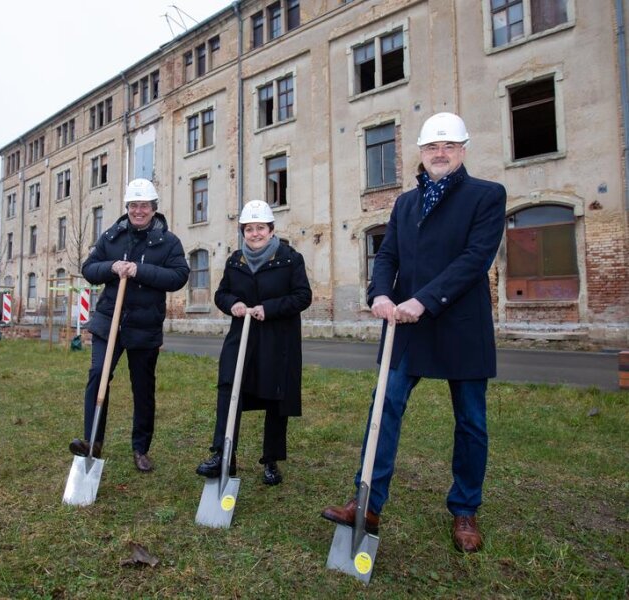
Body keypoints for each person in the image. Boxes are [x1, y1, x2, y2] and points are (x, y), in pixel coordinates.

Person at [320, 112, 506, 553]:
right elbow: (386, 255)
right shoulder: (405, 203)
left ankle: (465, 509)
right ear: (420, 153)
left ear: (462, 150)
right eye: (431, 148)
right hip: (405, 326)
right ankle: (366, 501)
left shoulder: (486, 196)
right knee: (383, 410)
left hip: (460, 325)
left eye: (448, 147)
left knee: (471, 422)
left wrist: (422, 300)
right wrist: (379, 296)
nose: (439, 154)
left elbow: (475, 259)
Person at [69, 178, 189, 472]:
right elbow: (89, 269)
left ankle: (140, 448)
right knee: (98, 375)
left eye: (144, 206)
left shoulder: (168, 242)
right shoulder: (112, 236)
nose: (138, 211)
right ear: (127, 207)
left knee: (143, 388)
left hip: (144, 326)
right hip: (109, 322)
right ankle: (93, 442)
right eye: (133, 205)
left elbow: (178, 277)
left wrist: (140, 270)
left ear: (153, 208)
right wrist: (111, 267)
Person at [194, 200, 312, 486]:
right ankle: (223, 455)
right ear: (243, 231)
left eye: (261, 228)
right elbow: (221, 294)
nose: (255, 233)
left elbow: (302, 296)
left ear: (272, 230)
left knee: (275, 397)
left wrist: (268, 308)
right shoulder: (236, 261)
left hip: (277, 340)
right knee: (229, 390)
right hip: (241, 338)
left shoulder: (289, 259)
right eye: (249, 229)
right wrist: (233, 303)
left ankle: (270, 460)